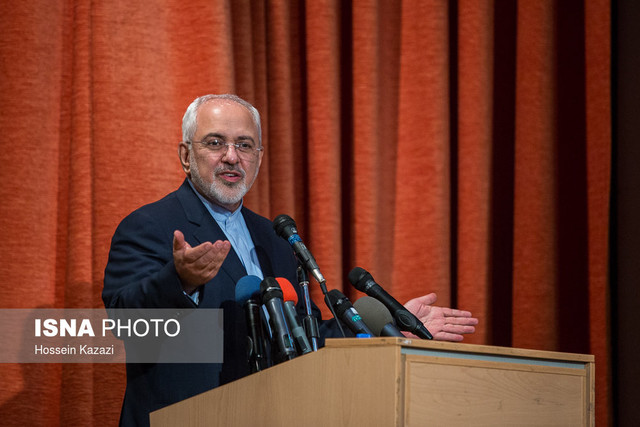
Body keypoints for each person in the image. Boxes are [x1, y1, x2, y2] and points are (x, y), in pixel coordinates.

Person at [102, 94, 478, 426]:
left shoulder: (274, 238)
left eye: (245, 145)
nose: (231, 156)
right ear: (186, 155)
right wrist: (180, 281)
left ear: (259, 157)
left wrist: (388, 326)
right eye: (215, 142)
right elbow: (125, 322)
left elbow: (303, 336)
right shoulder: (151, 224)